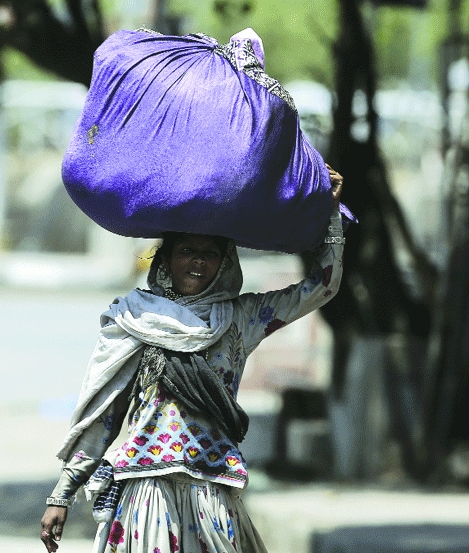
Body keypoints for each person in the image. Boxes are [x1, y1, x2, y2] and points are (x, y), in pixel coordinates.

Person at [41, 167, 345, 553]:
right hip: (146, 490)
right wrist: (62, 494)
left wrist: (330, 215)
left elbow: (322, 285)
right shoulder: (135, 318)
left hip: (213, 490)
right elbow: (106, 412)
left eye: (209, 254)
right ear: (166, 257)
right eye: (187, 251)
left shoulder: (241, 318)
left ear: (225, 262)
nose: (198, 263)